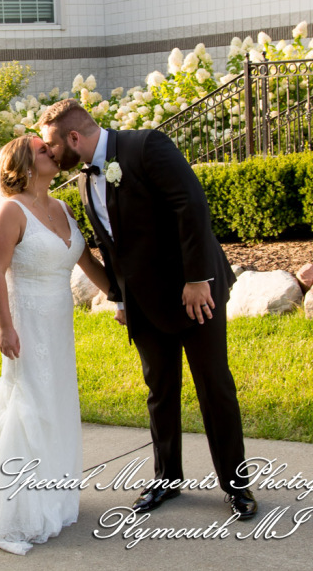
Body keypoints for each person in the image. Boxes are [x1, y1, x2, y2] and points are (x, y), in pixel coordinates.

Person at [37, 98, 257, 520]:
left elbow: (190, 207)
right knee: (160, 392)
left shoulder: (146, 145)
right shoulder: (84, 181)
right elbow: (111, 245)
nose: (50, 153)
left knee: (215, 387)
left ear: (74, 137)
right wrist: (121, 297)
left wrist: (197, 279)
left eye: (52, 144)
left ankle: (237, 487)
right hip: (144, 303)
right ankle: (166, 480)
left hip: (196, 294)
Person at [0, 134, 111, 555]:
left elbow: (86, 262)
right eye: (44, 149)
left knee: (57, 405)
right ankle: (15, 509)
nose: (53, 152)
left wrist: (122, 294)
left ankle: (52, 497)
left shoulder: (60, 207)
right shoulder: (10, 211)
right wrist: (6, 328)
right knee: (29, 407)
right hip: (27, 325)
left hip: (59, 326)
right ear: (24, 164)